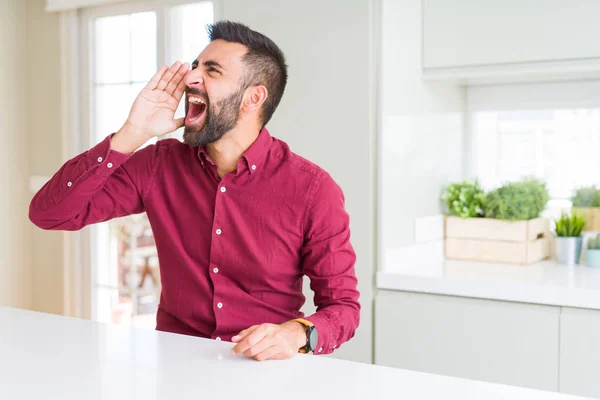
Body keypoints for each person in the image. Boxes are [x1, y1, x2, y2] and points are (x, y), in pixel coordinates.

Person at [30, 20, 360, 361]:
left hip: (263, 372)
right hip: (174, 367)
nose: (190, 78)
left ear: (253, 97)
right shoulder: (159, 163)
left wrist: (296, 334)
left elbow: (343, 307)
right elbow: (50, 214)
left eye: (212, 70)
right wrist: (132, 132)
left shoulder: (313, 189)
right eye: (194, 67)